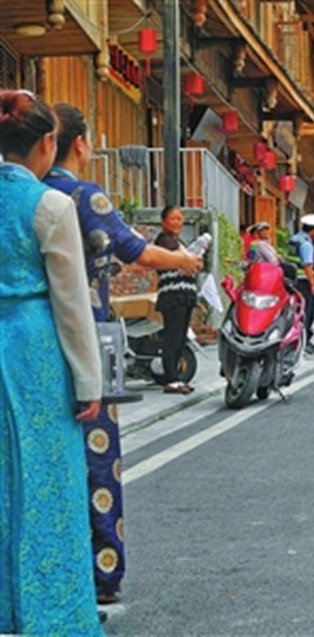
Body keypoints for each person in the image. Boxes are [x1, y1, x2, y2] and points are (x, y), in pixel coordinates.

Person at [44, 102, 202, 605]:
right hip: (87, 333)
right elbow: (137, 251)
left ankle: (48, 569)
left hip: (31, 339)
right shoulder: (83, 196)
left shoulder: (27, 194)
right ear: (80, 143)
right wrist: (184, 260)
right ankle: (102, 571)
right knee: (97, 452)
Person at [0, 89, 103, 634]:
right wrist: (89, 382)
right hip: (34, 350)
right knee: (48, 478)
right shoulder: (51, 206)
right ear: (47, 143)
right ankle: (51, 614)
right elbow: (71, 303)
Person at [154, 205, 199, 394]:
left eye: (180, 219)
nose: (177, 222)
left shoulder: (179, 242)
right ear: (163, 221)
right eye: (172, 219)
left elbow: (194, 264)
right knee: (172, 337)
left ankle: (177, 378)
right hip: (173, 294)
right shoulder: (163, 241)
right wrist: (190, 261)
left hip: (185, 293)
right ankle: (171, 379)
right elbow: (184, 261)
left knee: (181, 337)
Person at [289, 214, 314, 354]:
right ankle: (305, 341)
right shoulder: (306, 244)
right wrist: (313, 284)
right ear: (313, 229)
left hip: (292, 280)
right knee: (307, 311)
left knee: (295, 311)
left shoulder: (294, 239)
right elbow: (307, 265)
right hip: (304, 281)